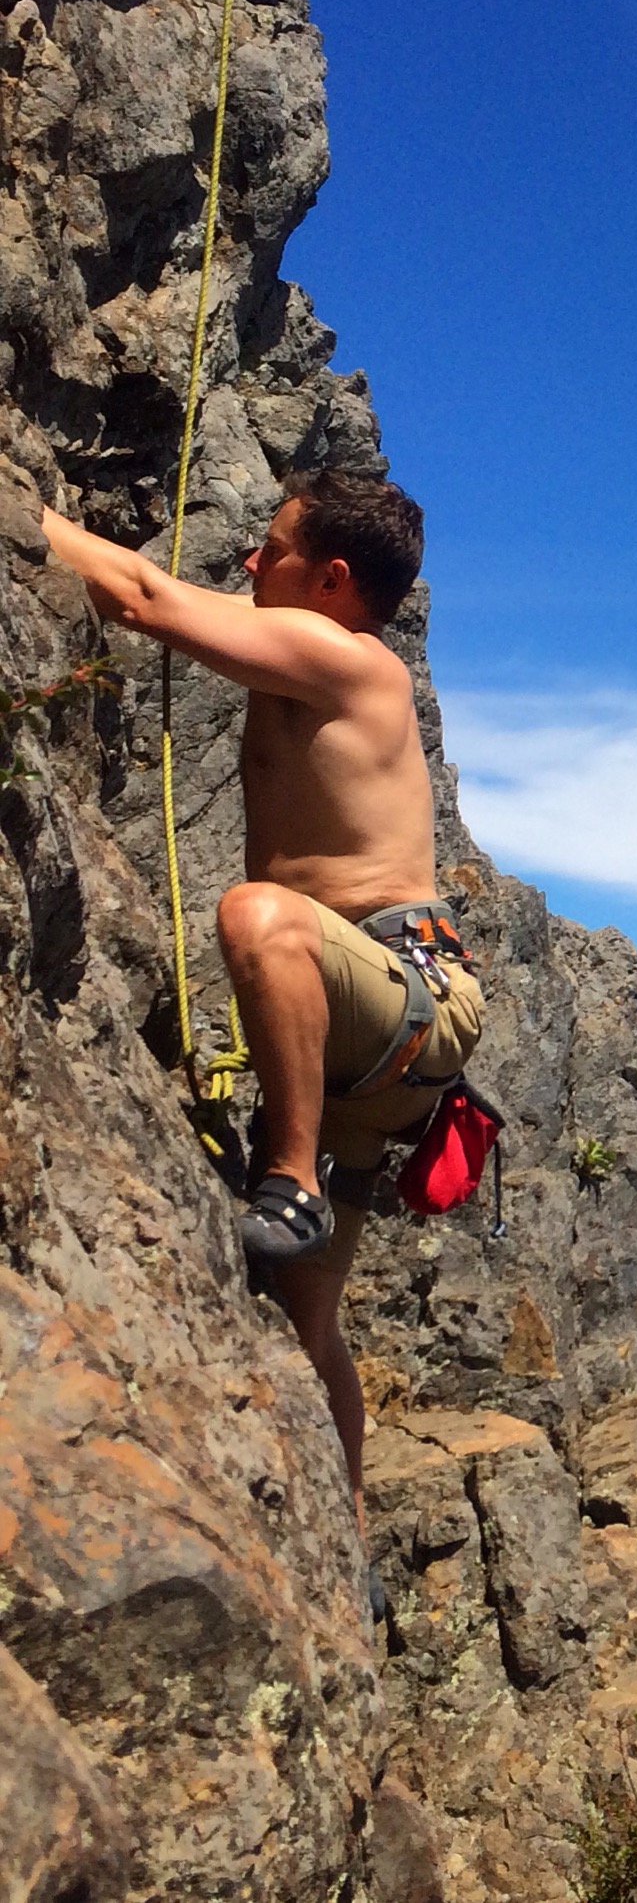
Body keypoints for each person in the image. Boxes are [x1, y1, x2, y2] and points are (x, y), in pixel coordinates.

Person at [39, 470, 484, 1510]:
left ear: (331, 579)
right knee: (306, 1323)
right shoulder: (311, 657)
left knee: (257, 913)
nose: (249, 559)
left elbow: (142, 597)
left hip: (407, 997)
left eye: (272, 546)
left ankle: (291, 1180)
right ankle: (346, 1541)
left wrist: (27, 517)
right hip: (361, 1035)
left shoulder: (350, 661)